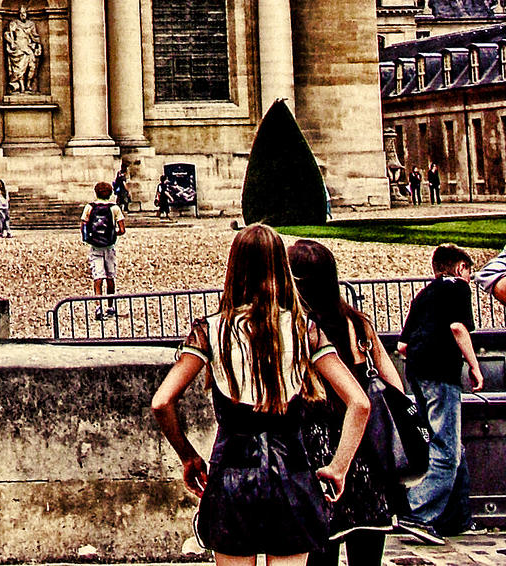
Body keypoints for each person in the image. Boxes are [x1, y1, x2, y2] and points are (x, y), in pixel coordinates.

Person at [151, 223, 369, 563]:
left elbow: (161, 401)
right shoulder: (304, 328)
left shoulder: (210, 330)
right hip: (293, 475)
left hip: (231, 474)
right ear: (282, 266)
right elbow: (359, 403)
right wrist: (338, 466)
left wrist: (188, 456)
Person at [288, 238, 409, 566]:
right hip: (367, 453)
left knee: (318, 557)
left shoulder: (299, 333)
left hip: (319, 455)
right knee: (367, 557)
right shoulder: (360, 324)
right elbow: (394, 387)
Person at [398, 243, 482, 529]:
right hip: (442, 373)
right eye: (469, 273)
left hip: (417, 373)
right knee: (446, 450)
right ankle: (415, 511)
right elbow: (458, 328)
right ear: (461, 268)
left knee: (451, 444)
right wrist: (474, 365)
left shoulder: (424, 294)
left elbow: (401, 346)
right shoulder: (458, 287)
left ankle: (455, 518)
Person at [82, 179, 125, 319]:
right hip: (109, 246)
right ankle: (110, 307)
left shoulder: (89, 207)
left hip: (95, 246)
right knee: (110, 276)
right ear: (111, 193)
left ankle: (98, 306)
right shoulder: (114, 208)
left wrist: (89, 238)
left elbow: (83, 225)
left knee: (98, 276)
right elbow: (122, 229)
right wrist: (112, 234)